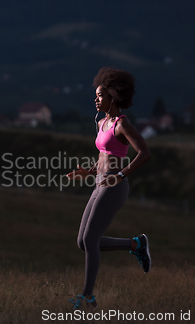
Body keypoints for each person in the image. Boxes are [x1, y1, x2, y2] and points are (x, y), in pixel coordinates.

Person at [66, 67, 152, 309]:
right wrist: (88, 172)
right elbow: (104, 155)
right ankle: (135, 245)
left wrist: (120, 175)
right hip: (99, 183)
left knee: (91, 239)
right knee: (82, 242)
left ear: (114, 96)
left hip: (115, 186)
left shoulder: (122, 124)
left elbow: (145, 153)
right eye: (96, 95)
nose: (96, 99)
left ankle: (87, 296)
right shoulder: (102, 123)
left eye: (100, 95)